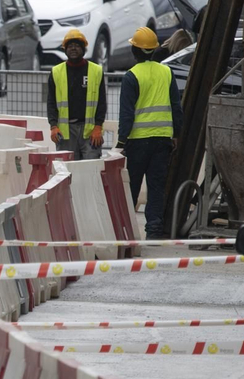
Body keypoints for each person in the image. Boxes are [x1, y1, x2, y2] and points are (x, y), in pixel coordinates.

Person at [116, 26, 182, 240]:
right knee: (156, 188)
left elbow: (127, 114)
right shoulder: (166, 72)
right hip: (162, 140)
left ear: (135, 50)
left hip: (137, 142)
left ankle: (128, 233)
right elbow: (175, 106)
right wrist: (176, 134)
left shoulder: (131, 76)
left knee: (131, 188)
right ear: (153, 50)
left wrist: (120, 141)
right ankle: (153, 231)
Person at [46, 28, 105, 159]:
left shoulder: (96, 71)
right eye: (70, 46)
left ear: (84, 49)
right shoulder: (56, 72)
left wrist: (98, 127)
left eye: (77, 46)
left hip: (89, 131)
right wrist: (53, 126)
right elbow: (51, 102)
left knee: (91, 169)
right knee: (68, 170)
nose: (73, 49)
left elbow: (101, 102)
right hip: (65, 132)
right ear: (65, 49)